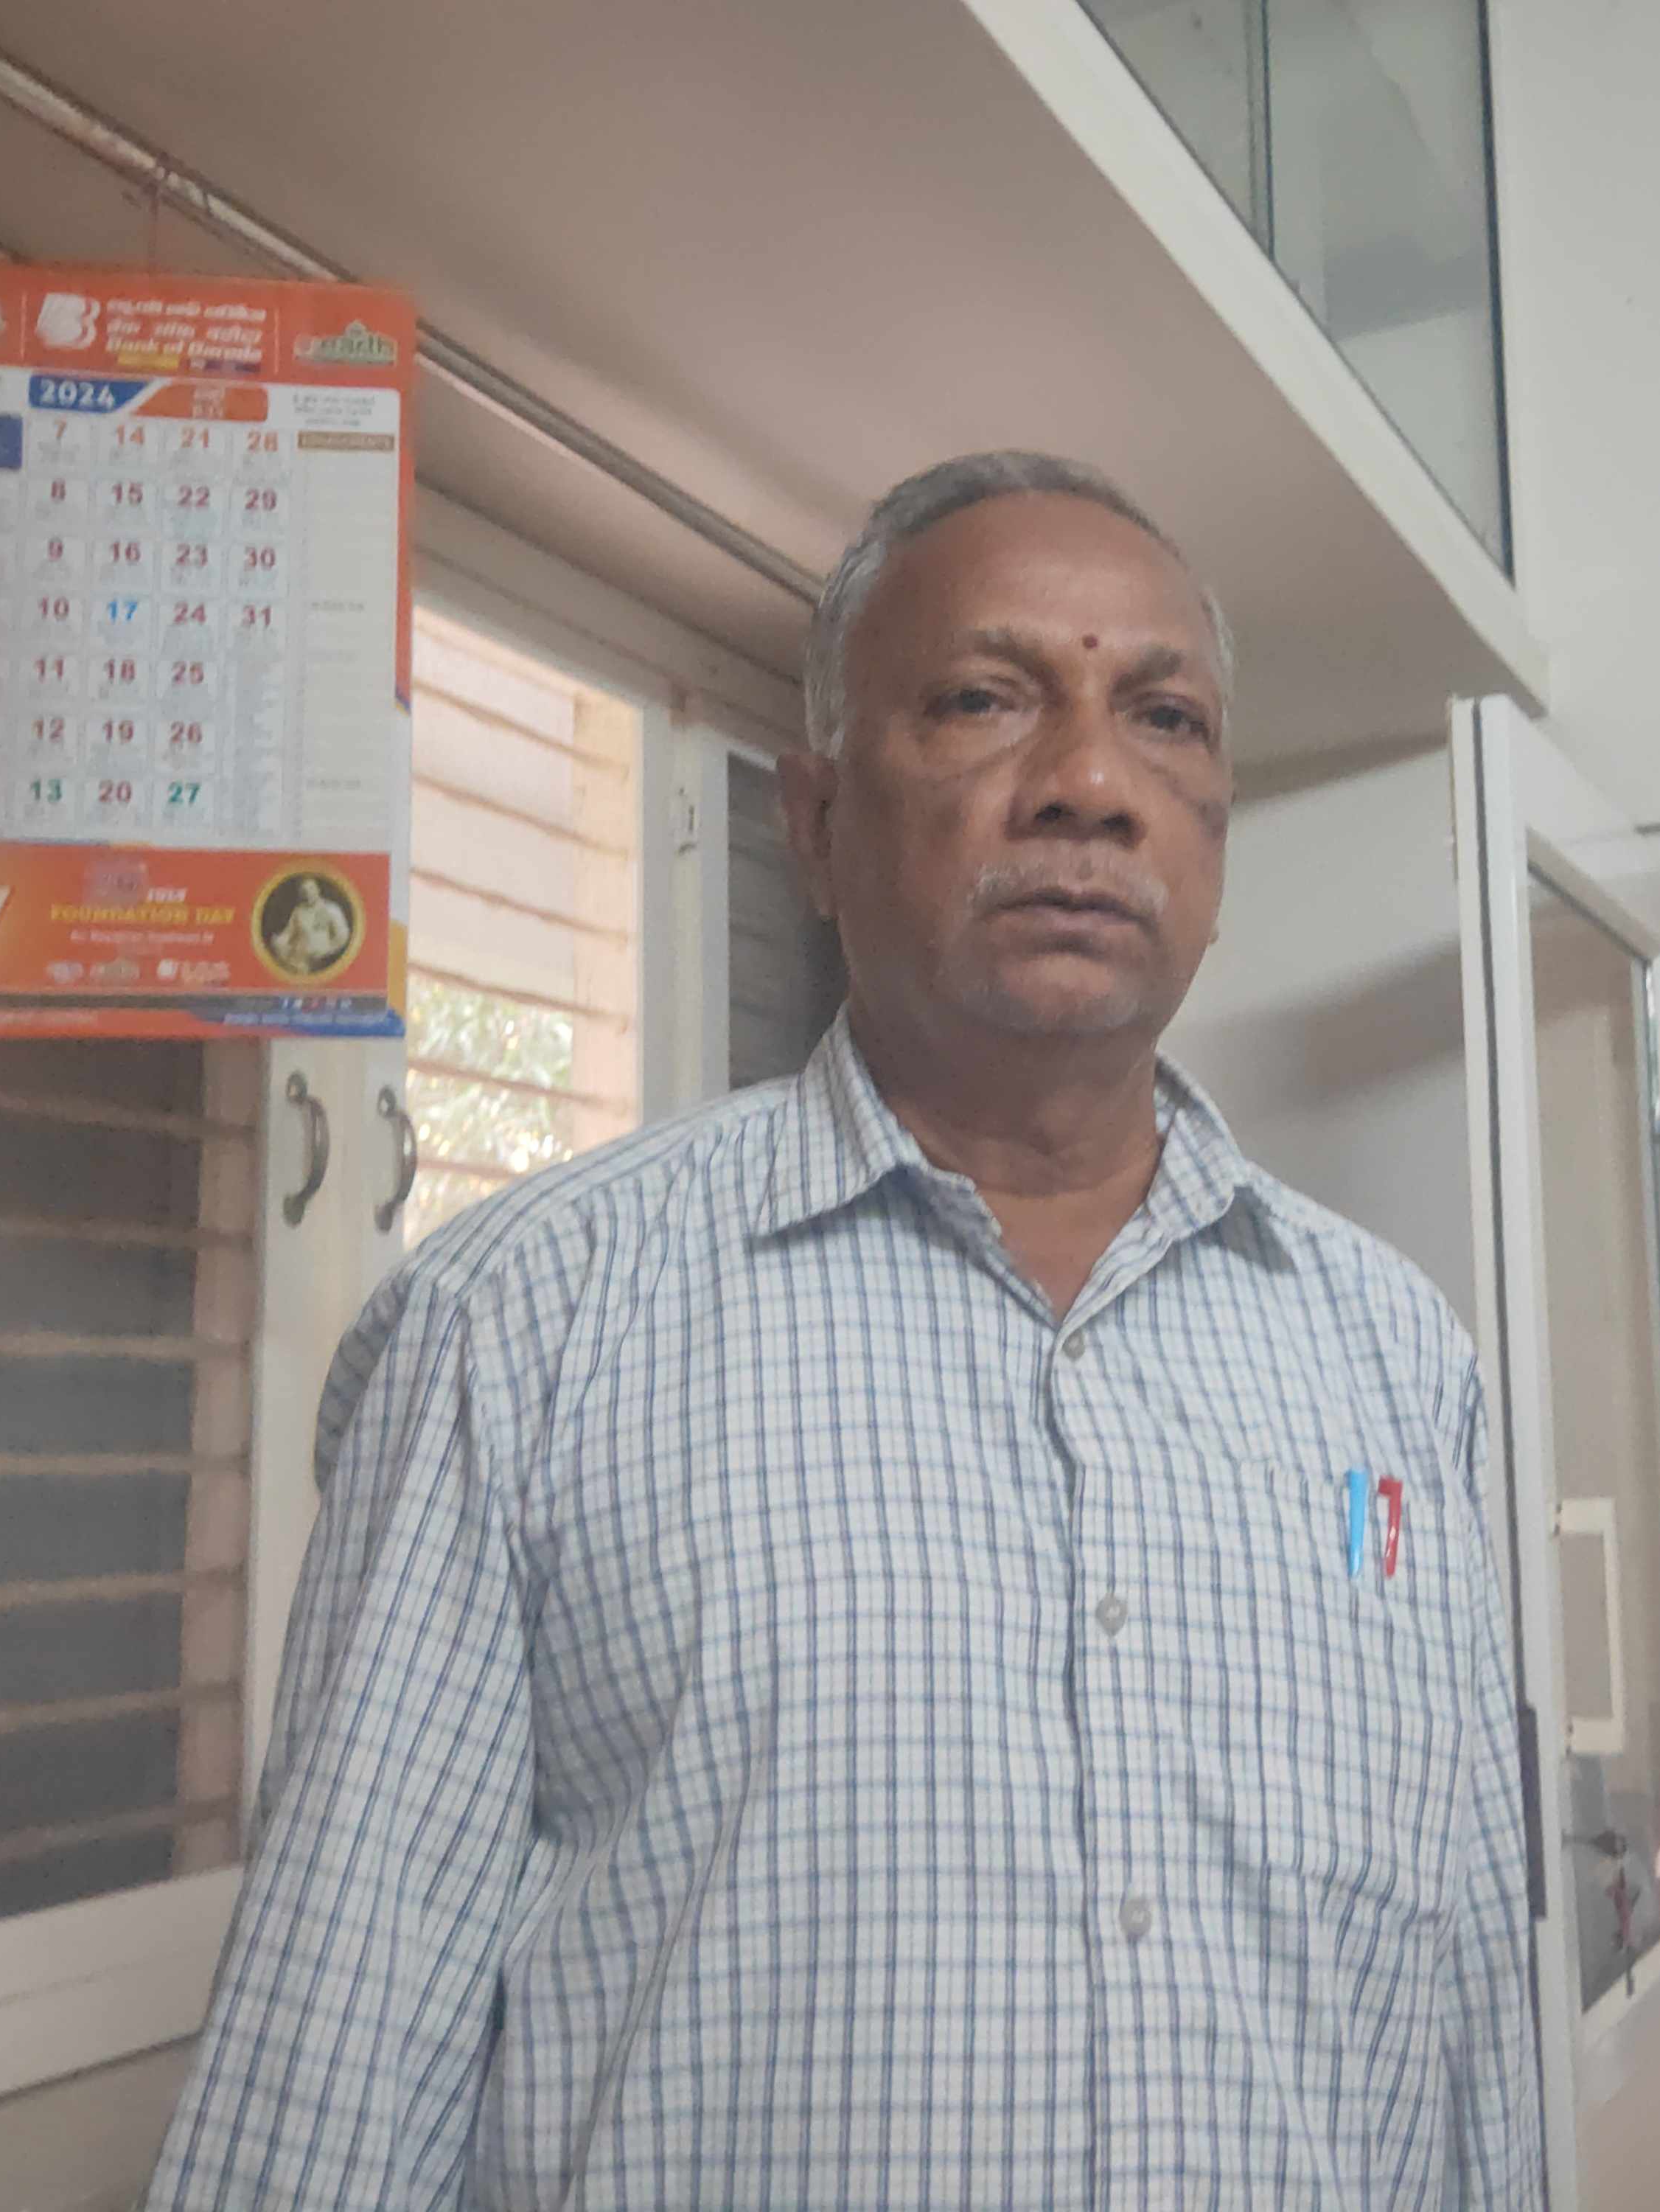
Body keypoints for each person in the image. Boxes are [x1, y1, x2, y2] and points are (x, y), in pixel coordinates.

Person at [145, 452, 1543, 2208]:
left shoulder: (1391, 1353)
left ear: (1212, 833)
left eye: (1163, 719)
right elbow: (327, 2082)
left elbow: (1467, 2020)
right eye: (981, 701)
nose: (1088, 786)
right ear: (809, 823)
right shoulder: (522, 1328)